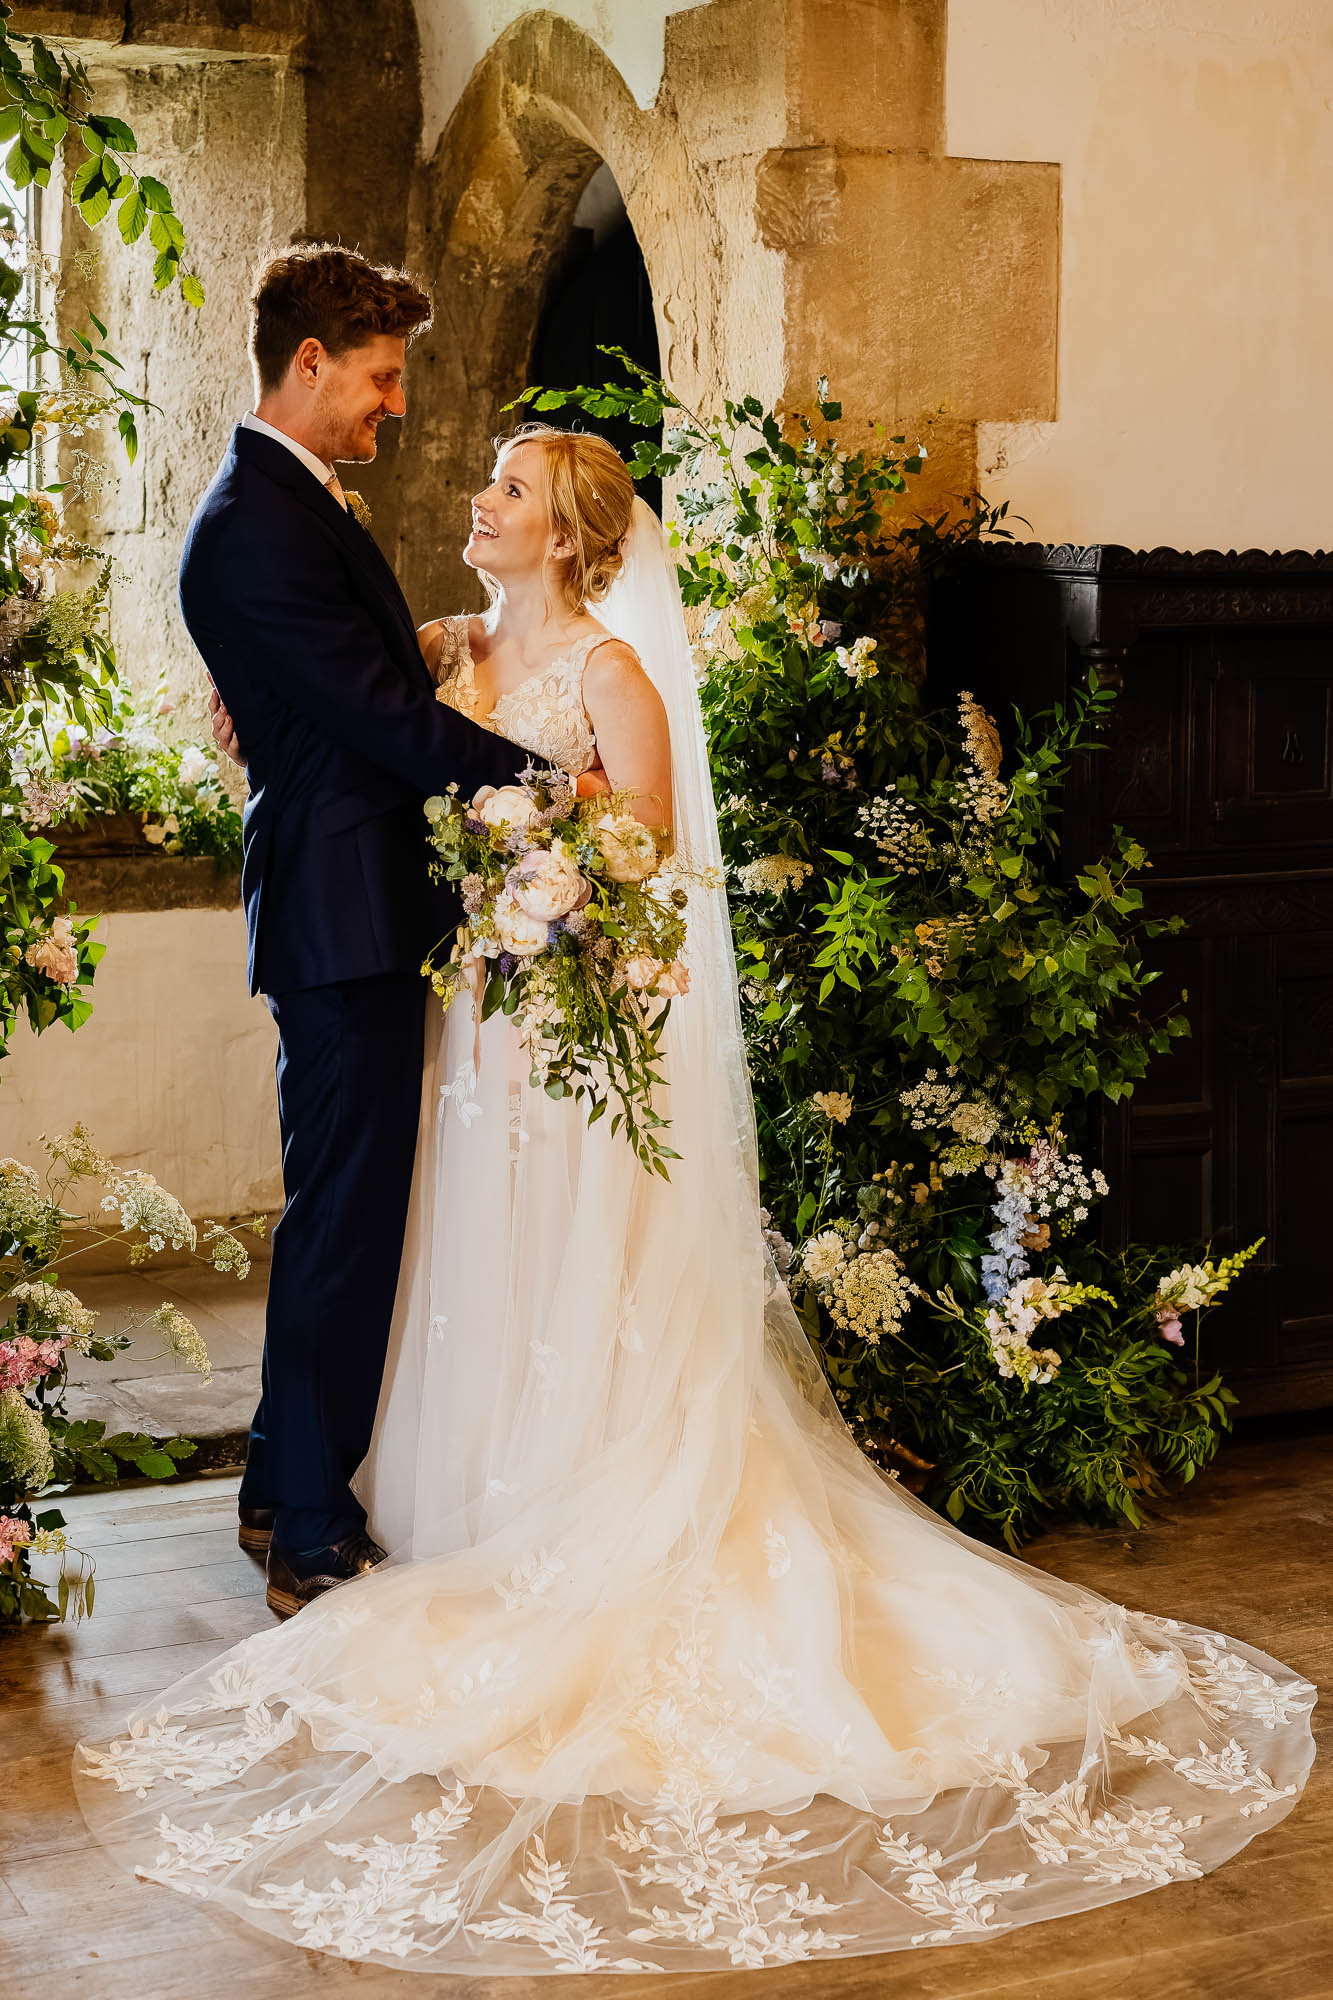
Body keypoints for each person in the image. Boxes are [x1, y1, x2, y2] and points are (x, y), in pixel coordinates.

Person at [77, 426, 1315, 1975]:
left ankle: (575, 1511)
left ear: (574, 537)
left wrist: (538, 858)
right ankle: (452, 1508)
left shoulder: (610, 673)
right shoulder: (459, 645)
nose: (478, 500)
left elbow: (644, 844)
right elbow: (353, 705)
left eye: (509, 492)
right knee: (465, 1266)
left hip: (556, 1018)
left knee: (573, 1273)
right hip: (477, 1018)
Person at [176, 244, 526, 1615]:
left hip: (353, 900)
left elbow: (351, 685)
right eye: (380, 379)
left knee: (342, 1210)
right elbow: (379, 724)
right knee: (346, 1221)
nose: (394, 405)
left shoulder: (287, 505)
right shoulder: (257, 521)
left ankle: (279, 1480)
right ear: (308, 362)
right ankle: (313, 1529)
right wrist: (546, 781)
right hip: (343, 911)